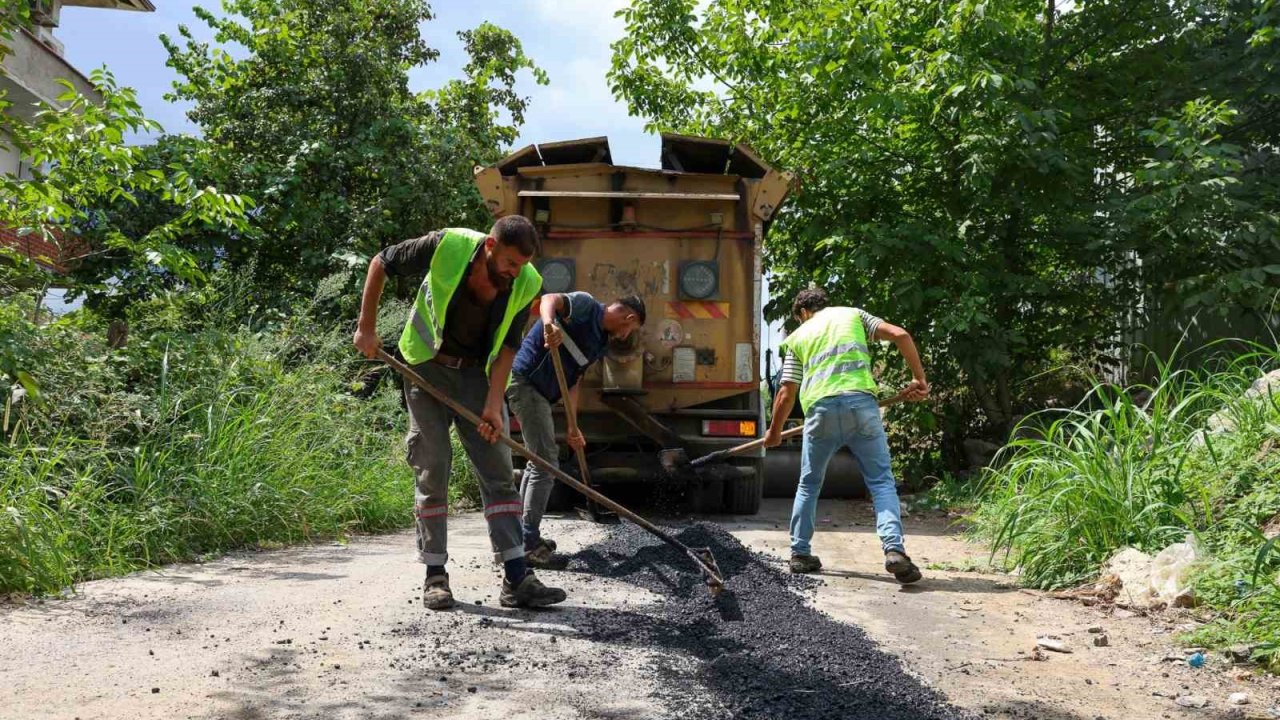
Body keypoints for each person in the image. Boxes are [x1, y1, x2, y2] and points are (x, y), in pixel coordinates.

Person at [352, 216, 568, 610]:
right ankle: (435, 574)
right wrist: (366, 326)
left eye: (521, 265)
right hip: (423, 366)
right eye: (509, 262)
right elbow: (381, 262)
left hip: (475, 376)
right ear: (490, 246)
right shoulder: (446, 245)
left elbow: (507, 349)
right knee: (433, 466)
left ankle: (517, 576)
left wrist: (492, 405)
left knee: (498, 469)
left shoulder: (526, 282)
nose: (514, 272)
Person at [763, 287, 930, 584]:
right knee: (880, 482)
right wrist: (919, 379)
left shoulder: (799, 337)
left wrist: (774, 433)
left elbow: (787, 392)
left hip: (821, 413)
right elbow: (901, 335)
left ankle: (800, 553)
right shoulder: (854, 316)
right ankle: (894, 550)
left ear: (802, 313)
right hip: (861, 407)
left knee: (809, 483)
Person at [505, 292, 646, 566]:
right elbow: (549, 299)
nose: (626, 334)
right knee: (545, 463)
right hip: (525, 384)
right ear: (628, 317)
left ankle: (522, 535)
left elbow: (574, 381)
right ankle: (526, 543)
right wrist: (549, 324)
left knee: (539, 462)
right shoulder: (586, 305)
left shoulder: (600, 342)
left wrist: (572, 425)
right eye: (630, 328)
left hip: (543, 394)